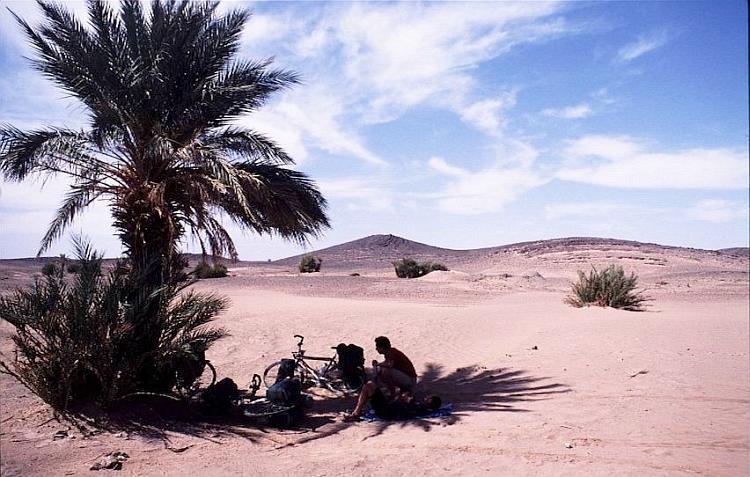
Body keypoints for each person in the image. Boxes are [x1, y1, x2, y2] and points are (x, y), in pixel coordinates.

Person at [345, 336, 418, 419]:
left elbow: (389, 365)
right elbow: (388, 363)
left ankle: (392, 394)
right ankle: (358, 410)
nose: (376, 349)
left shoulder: (391, 352)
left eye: (377, 347)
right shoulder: (390, 353)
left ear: (382, 347)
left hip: (409, 380)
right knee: (379, 374)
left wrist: (378, 365)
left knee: (385, 371)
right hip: (407, 379)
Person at [344, 380, 441, 421]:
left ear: (429, 402)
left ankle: (356, 413)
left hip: (386, 411)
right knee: (371, 385)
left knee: (368, 386)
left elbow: (406, 402)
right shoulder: (420, 406)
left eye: (428, 398)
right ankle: (358, 411)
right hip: (388, 407)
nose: (426, 398)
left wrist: (403, 397)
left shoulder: (419, 406)